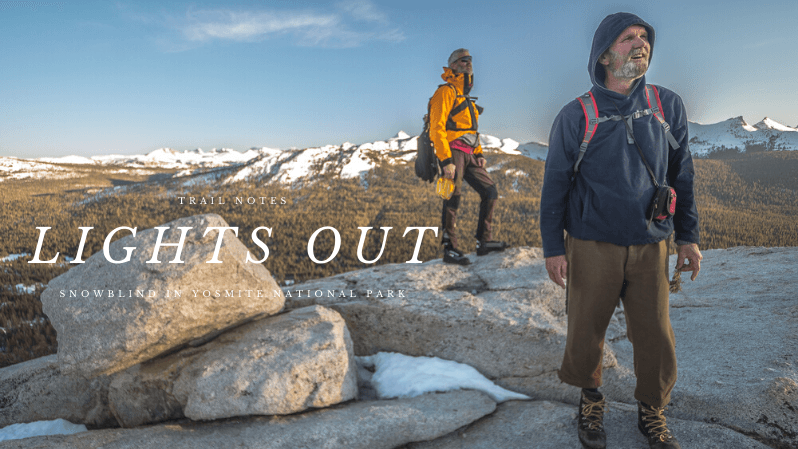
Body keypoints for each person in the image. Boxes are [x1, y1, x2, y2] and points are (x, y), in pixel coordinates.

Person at [539, 13, 702, 449]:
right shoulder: (576, 115)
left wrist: (688, 237)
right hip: (592, 242)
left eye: (644, 37)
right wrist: (554, 247)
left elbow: (681, 175)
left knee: (654, 333)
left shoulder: (667, 106)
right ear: (605, 54)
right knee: (585, 330)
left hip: (652, 243)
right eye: (628, 38)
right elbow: (555, 184)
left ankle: (653, 410)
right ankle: (591, 400)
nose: (640, 44)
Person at [429, 48, 507, 265]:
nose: (469, 63)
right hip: (452, 152)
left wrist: (479, 153)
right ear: (453, 65)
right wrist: (445, 160)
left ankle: (484, 242)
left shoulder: (467, 98)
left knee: (490, 191)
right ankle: (450, 248)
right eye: (464, 60)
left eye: (470, 60)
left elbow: (472, 130)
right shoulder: (445, 93)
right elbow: (437, 128)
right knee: (452, 196)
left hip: (470, 153)